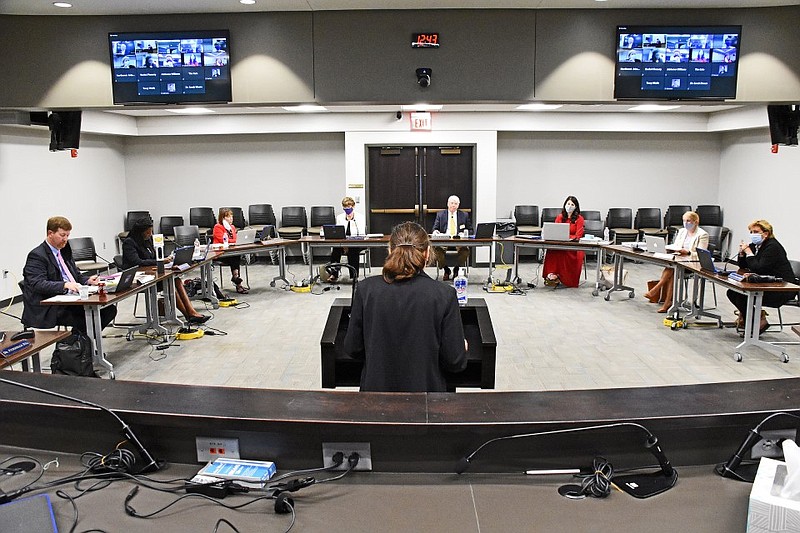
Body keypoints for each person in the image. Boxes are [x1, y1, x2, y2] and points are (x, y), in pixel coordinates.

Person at [343, 221, 468, 392]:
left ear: (389, 251)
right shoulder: (444, 295)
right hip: (426, 404)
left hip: (375, 403)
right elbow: (455, 362)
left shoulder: (366, 290)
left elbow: (352, 348)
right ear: (427, 254)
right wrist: (461, 347)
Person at [21, 216, 117, 333]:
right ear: (50, 233)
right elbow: (38, 284)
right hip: (50, 306)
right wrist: (65, 285)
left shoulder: (64, 251)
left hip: (72, 299)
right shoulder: (37, 256)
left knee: (109, 310)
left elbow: (75, 275)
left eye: (67, 235)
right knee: (86, 318)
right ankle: (76, 345)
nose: (65, 239)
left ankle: (80, 344)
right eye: (62, 235)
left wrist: (88, 280)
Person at [121, 218, 210, 324]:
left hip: (152, 273)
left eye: (151, 231)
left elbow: (154, 257)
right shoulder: (129, 243)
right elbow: (137, 262)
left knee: (175, 280)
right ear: (140, 232)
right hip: (137, 279)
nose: (150, 234)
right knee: (169, 283)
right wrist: (160, 261)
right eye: (148, 232)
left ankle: (191, 312)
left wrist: (166, 261)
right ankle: (189, 315)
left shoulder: (147, 240)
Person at [727, 220, 797, 333]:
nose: (753, 234)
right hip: (765, 283)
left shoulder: (773, 247)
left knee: (742, 296)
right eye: (751, 232)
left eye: (756, 232)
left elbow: (758, 267)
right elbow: (743, 265)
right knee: (732, 292)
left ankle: (758, 322)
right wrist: (741, 254)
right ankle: (755, 319)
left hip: (781, 289)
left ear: (766, 233)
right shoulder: (756, 245)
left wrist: (749, 253)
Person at [643, 211, 709, 313]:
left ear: (696, 222)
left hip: (692, 263)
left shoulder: (702, 234)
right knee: (672, 269)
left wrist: (687, 252)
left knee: (673, 269)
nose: (686, 223)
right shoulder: (682, 231)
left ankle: (657, 290)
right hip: (678, 260)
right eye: (684, 221)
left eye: (688, 221)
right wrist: (671, 249)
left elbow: (701, 254)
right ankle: (667, 302)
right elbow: (676, 245)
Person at [542, 196, 585, 288]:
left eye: (572, 204)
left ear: (576, 207)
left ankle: (565, 278)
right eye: (568, 204)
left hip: (573, 245)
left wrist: (568, 237)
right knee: (552, 250)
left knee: (566, 253)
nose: (569, 206)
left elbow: (578, 235)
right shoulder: (560, 217)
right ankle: (552, 274)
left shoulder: (579, 218)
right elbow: (555, 231)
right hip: (560, 243)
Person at [431, 195, 472, 281]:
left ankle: (456, 269)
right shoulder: (441, 214)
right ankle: (446, 270)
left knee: (465, 251)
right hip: (445, 239)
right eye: (452, 203)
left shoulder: (464, 215)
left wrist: (464, 233)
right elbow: (435, 229)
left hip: (459, 240)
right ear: (448, 204)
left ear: (458, 205)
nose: (453, 205)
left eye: (455, 203)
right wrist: (436, 232)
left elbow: (470, 230)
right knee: (437, 251)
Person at [327, 196, 366, 282]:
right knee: (335, 250)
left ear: (353, 206)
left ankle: (354, 276)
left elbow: (361, 233)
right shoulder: (340, 217)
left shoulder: (360, 217)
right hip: (343, 242)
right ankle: (334, 274)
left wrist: (351, 220)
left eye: (349, 206)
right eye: (345, 207)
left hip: (356, 243)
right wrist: (344, 244)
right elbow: (338, 232)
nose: (347, 209)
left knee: (353, 250)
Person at [212, 208, 248, 294]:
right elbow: (223, 240)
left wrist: (235, 241)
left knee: (235, 255)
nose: (231, 218)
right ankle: (237, 281)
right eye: (228, 216)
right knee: (235, 256)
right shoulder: (217, 227)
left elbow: (234, 238)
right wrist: (234, 241)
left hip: (231, 253)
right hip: (220, 254)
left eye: (231, 216)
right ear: (223, 218)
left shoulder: (232, 227)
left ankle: (236, 279)